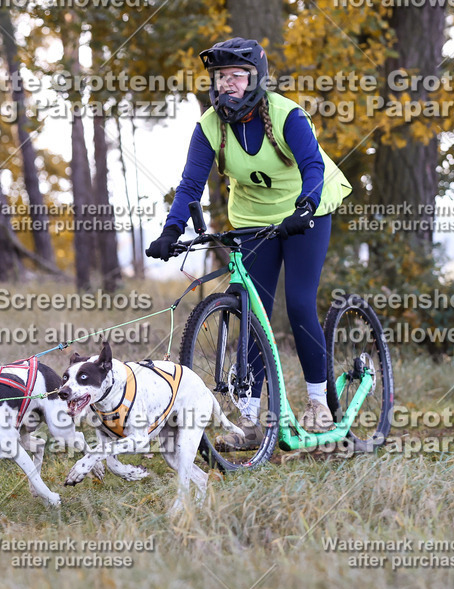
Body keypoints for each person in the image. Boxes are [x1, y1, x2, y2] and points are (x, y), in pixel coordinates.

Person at [145, 37, 352, 450]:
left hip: (305, 209)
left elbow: (312, 165)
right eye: (221, 77)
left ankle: (317, 404)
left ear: (256, 78)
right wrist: (171, 230)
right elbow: (190, 184)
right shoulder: (209, 127)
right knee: (250, 313)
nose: (227, 84)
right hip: (253, 219)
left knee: (297, 303)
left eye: (237, 76)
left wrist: (306, 206)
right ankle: (248, 423)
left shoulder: (286, 115)